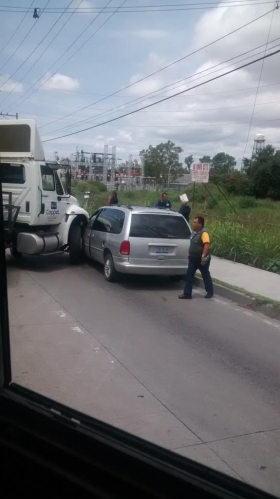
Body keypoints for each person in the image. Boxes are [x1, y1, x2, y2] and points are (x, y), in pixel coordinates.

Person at [178, 216, 214, 300]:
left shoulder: (204, 233)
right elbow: (193, 244)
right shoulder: (194, 233)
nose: (193, 224)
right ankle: (187, 294)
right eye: (193, 222)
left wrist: (203, 256)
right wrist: (189, 253)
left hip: (201, 259)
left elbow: (207, 245)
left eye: (195, 222)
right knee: (189, 275)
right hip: (193, 258)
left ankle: (210, 292)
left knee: (205, 274)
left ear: (200, 224)